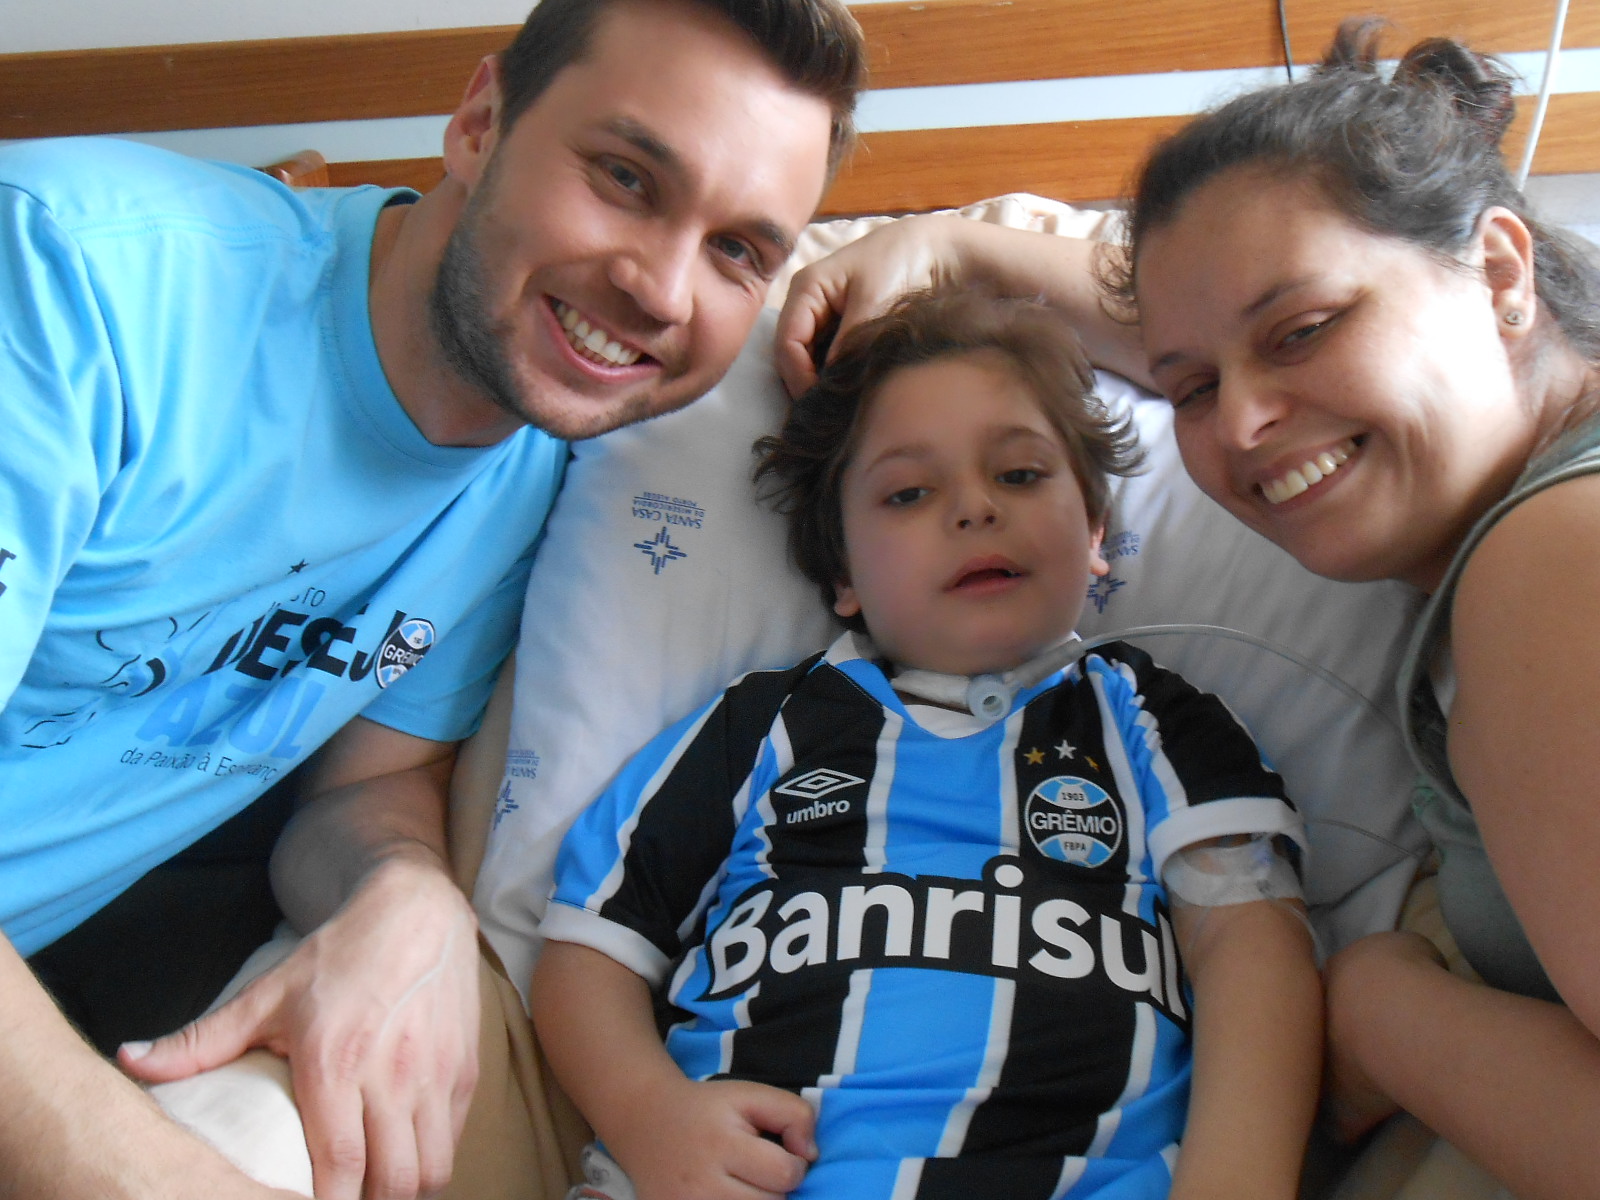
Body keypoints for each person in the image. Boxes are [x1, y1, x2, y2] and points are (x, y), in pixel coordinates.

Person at [0, 1, 865, 1197]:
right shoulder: (72, 278)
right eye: (624, 177)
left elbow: (367, 780)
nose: (660, 290)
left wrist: (402, 889)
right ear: (478, 120)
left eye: (738, 252)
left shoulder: (539, 470)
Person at [776, 22, 1600, 1200]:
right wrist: (959, 247)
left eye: (1303, 330)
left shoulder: (1552, 559)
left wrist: (1380, 1012)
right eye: (1192, 390)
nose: (1246, 423)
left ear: (1503, 273)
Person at [529, 289, 1322, 1200]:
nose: (975, 508)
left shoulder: (1152, 722)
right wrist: (645, 1115)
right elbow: (589, 950)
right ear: (842, 575)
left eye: (1021, 475)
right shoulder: (759, 729)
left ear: (1096, 531)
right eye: (908, 493)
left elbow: (1255, 952)